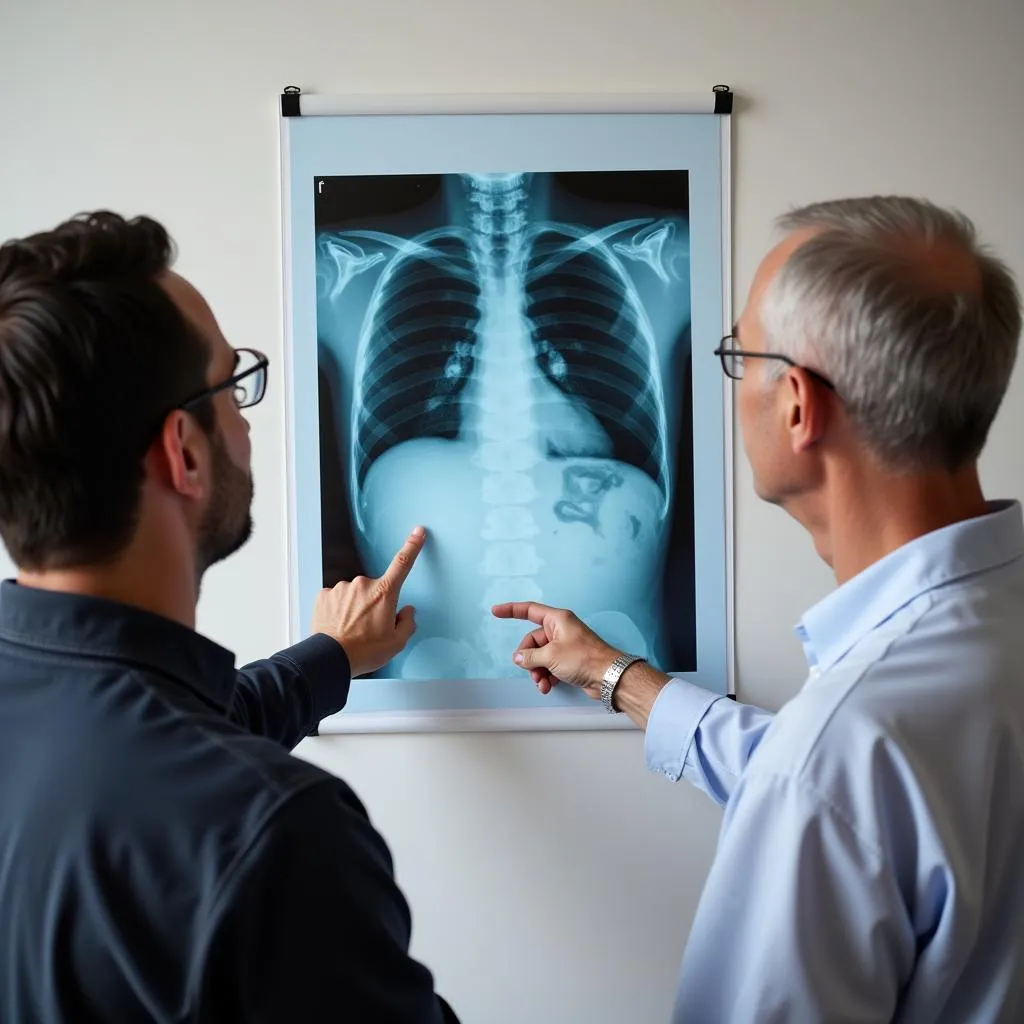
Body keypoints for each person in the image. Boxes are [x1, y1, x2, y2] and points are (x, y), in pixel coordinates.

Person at [494, 196, 1024, 1021]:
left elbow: (832, 789)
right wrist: (612, 674)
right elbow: (870, 811)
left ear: (799, 406)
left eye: (739, 355)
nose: (732, 381)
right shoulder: (969, 643)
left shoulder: (844, 752)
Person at [0, 212, 457, 1022]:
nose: (246, 421)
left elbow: (151, 736)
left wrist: (330, 656)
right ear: (185, 450)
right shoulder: (278, 834)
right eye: (231, 386)